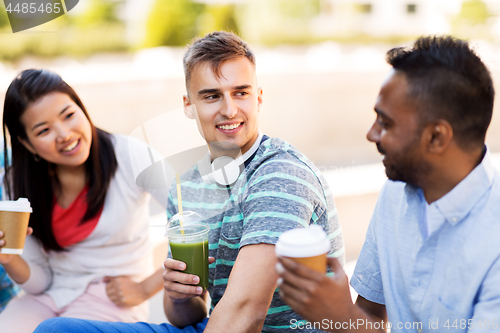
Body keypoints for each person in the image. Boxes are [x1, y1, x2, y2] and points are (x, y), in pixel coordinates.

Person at [33, 31, 345, 333]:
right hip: (216, 326)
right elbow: (187, 317)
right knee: (54, 329)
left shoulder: (279, 173)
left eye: (241, 92)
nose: (229, 109)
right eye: (212, 96)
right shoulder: (188, 186)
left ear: (259, 98)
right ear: (188, 105)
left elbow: (246, 312)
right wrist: (179, 295)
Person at [276, 35, 500, 332]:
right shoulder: (396, 193)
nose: (371, 134)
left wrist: (342, 317)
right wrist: (332, 315)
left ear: (436, 137)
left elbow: (354, 321)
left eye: (386, 123)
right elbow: (370, 314)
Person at [0, 69, 167, 332]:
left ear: (81, 108)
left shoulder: (132, 155)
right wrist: (8, 257)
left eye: (68, 115)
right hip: (49, 296)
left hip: (112, 298)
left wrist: (146, 287)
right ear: (27, 144)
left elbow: (197, 219)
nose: (64, 134)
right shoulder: (16, 183)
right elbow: (40, 281)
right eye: (43, 130)